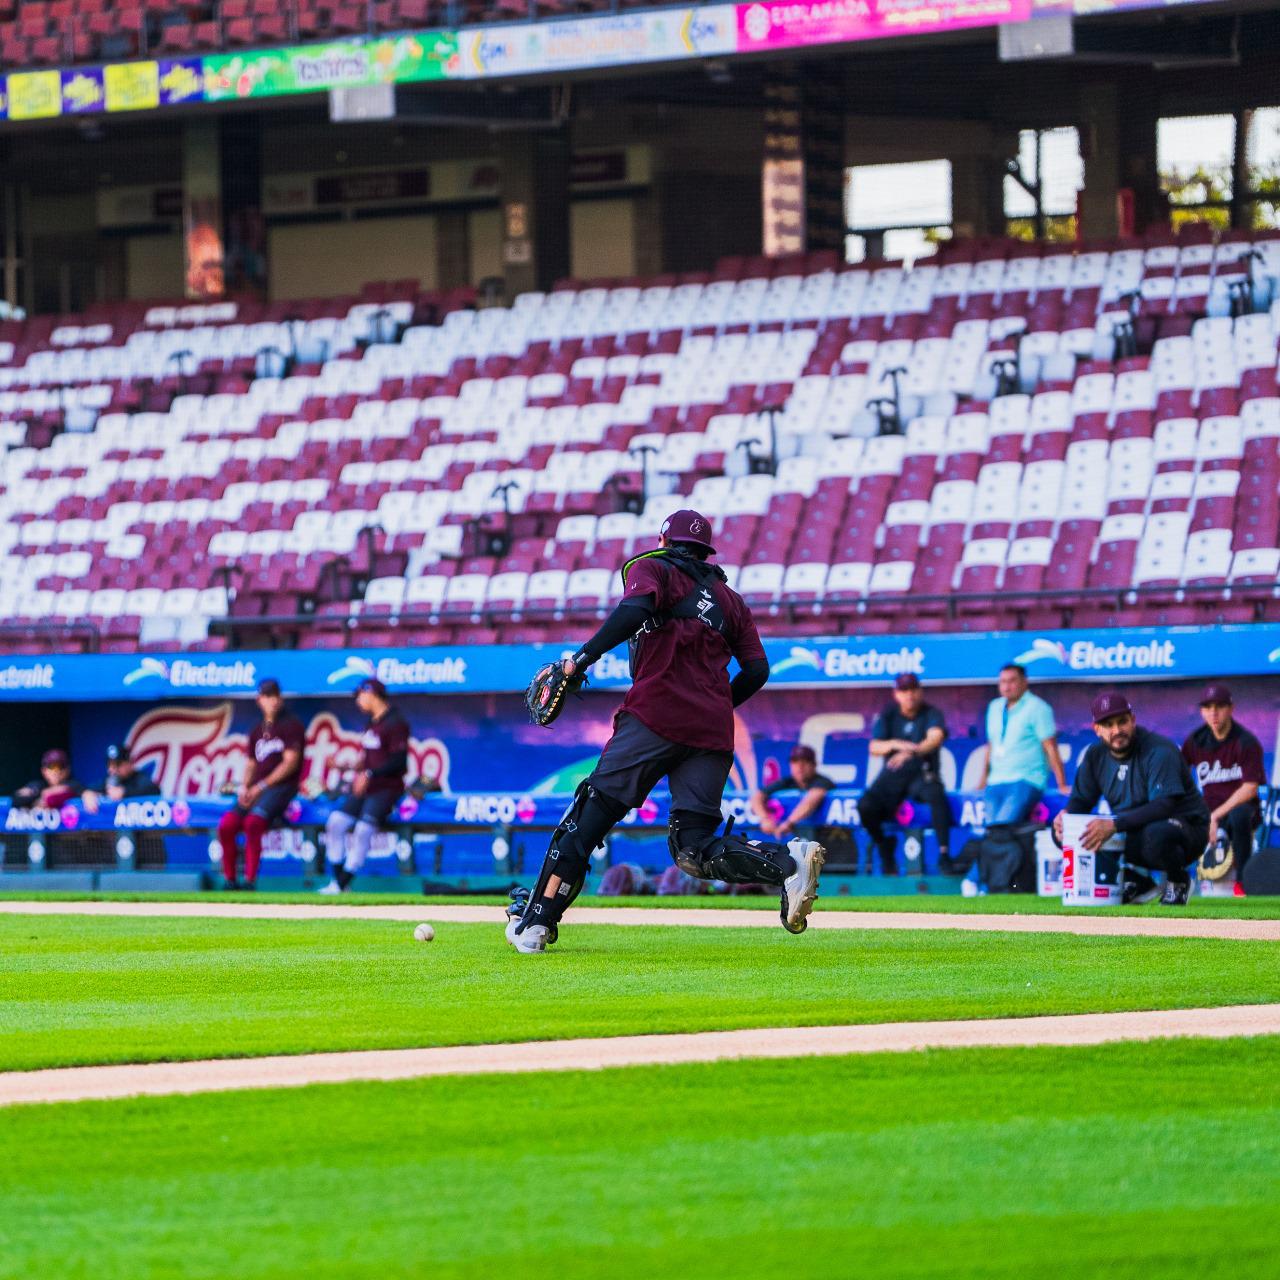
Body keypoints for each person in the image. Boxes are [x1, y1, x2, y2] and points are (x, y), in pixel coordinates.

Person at [504, 508, 825, 953]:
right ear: (705, 550)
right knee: (694, 847)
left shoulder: (651, 566)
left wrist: (579, 659)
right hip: (711, 733)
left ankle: (536, 922)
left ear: (662, 540)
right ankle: (788, 863)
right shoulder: (731, 600)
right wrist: (715, 704)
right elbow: (756, 669)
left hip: (655, 717)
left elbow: (635, 608)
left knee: (587, 817)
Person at [1054, 691, 1209, 906]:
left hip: (1185, 829)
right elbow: (1080, 802)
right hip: (1132, 829)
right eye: (1108, 725)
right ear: (1097, 729)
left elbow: (1164, 805)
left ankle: (1178, 880)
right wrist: (1065, 819)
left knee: (1157, 834)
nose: (1117, 730)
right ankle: (1137, 881)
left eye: (1122, 722)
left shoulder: (1159, 749)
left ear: (1133, 720)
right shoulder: (1095, 755)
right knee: (1065, 834)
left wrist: (1114, 825)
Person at [321, 677, 410, 894]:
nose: (359, 701)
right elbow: (370, 758)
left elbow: (399, 761)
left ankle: (341, 883)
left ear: (371, 694)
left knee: (362, 830)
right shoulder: (372, 723)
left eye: (361, 695)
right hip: (368, 789)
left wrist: (369, 773)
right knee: (335, 822)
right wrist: (347, 766)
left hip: (387, 789)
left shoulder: (396, 722)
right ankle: (340, 882)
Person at [857, 673, 950, 875]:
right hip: (893, 778)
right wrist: (897, 744)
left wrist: (912, 751)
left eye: (913, 690)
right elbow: (874, 747)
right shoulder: (889, 714)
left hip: (920, 774)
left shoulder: (931, 713)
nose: (909, 695)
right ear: (896, 694)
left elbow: (936, 738)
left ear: (920, 691)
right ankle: (884, 846)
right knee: (865, 806)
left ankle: (944, 854)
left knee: (936, 794)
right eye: (904, 690)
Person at [218, 678, 305, 890]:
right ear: (259, 700)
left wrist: (260, 786)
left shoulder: (291, 726)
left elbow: (290, 763)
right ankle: (229, 879)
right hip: (258, 788)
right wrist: (244, 787)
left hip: (282, 787)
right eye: (267, 696)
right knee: (227, 825)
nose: (272, 701)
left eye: (275, 696)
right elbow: (251, 763)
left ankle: (250, 879)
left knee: (253, 823)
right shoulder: (257, 730)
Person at [1181, 683, 1266, 882]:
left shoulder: (1245, 741)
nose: (1214, 713)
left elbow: (1250, 788)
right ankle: (1178, 882)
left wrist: (1215, 816)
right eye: (1207, 708)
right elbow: (1177, 777)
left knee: (1239, 815)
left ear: (1231, 708)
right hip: (1208, 811)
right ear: (1202, 711)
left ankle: (1243, 882)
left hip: (1242, 811)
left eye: (1219, 706)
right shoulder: (1195, 741)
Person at [976, 664, 1069, 824]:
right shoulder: (994, 707)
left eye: (1012, 681)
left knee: (1002, 827)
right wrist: (982, 782)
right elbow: (990, 747)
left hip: (1025, 780)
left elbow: (1051, 748)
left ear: (1025, 682)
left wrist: (1062, 785)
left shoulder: (1038, 708)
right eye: (1003, 681)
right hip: (995, 781)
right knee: (991, 830)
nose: (1006, 686)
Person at [751, 745, 835, 842]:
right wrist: (764, 819)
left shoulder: (823, 781)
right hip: (805, 841)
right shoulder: (787, 782)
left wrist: (789, 822)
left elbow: (811, 800)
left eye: (805, 761)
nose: (800, 766)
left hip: (832, 841)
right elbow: (757, 796)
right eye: (795, 761)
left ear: (814, 764)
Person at [81, 744, 161, 813]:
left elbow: (154, 790)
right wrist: (87, 793)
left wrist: (125, 792)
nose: (112, 769)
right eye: (109, 765)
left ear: (129, 763)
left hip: (139, 828)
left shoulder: (139, 778)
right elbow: (89, 788)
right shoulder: (110, 780)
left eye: (117, 764)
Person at [15, 749, 84, 809]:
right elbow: (17, 799)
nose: (56, 771)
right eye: (52, 766)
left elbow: (76, 789)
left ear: (68, 770)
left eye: (61, 766)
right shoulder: (38, 785)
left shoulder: (75, 786)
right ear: (44, 771)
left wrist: (47, 796)